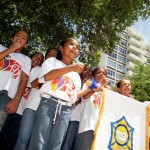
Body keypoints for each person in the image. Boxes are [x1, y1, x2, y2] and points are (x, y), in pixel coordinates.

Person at [27, 37, 93, 150]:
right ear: (61, 48)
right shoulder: (52, 62)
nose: (75, 48)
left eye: (77, 47)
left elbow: (74, 97)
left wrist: (90, 89)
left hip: (66, 110)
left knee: (56, 144)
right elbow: (47, 76)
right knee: (39, 141)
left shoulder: (76, 76)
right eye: (71, 45)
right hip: (48, 104)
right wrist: (71, 68)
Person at [14, 47, 58, 150]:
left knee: (38, 143)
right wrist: (47, 76)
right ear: (46, 56)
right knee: (22, 139)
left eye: (54, 55)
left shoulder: (59, 73)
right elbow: (33, 84)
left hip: (46, 112)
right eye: (49, 54)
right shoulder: (38, 69)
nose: (51, 56)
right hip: (31, 108)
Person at [0, 52, 44, 150]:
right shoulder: (19, 67)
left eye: (40, 59)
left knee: (12, 139)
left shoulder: (38, 74)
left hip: (21, 112)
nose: (37, 59)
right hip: (8, 104)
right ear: (31, 57)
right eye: (35, 56)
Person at [0, 30, 31, 130]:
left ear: (25, 44)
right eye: (17, 35)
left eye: (23, 38)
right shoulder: (1, 48)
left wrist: (16, 100)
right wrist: (11, 49)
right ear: (12, 38)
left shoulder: (26, 59)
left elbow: (23, 79)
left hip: (8, 95)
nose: (19, 38)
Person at [73, 67, 108, 150]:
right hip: (87, 126)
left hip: (99, 129)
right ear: (93, 76)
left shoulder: (105, 91)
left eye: (104, 73)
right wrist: (100, 85)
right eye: (99, 72)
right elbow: (84, 97)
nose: (101, 74)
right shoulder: (88, 84)